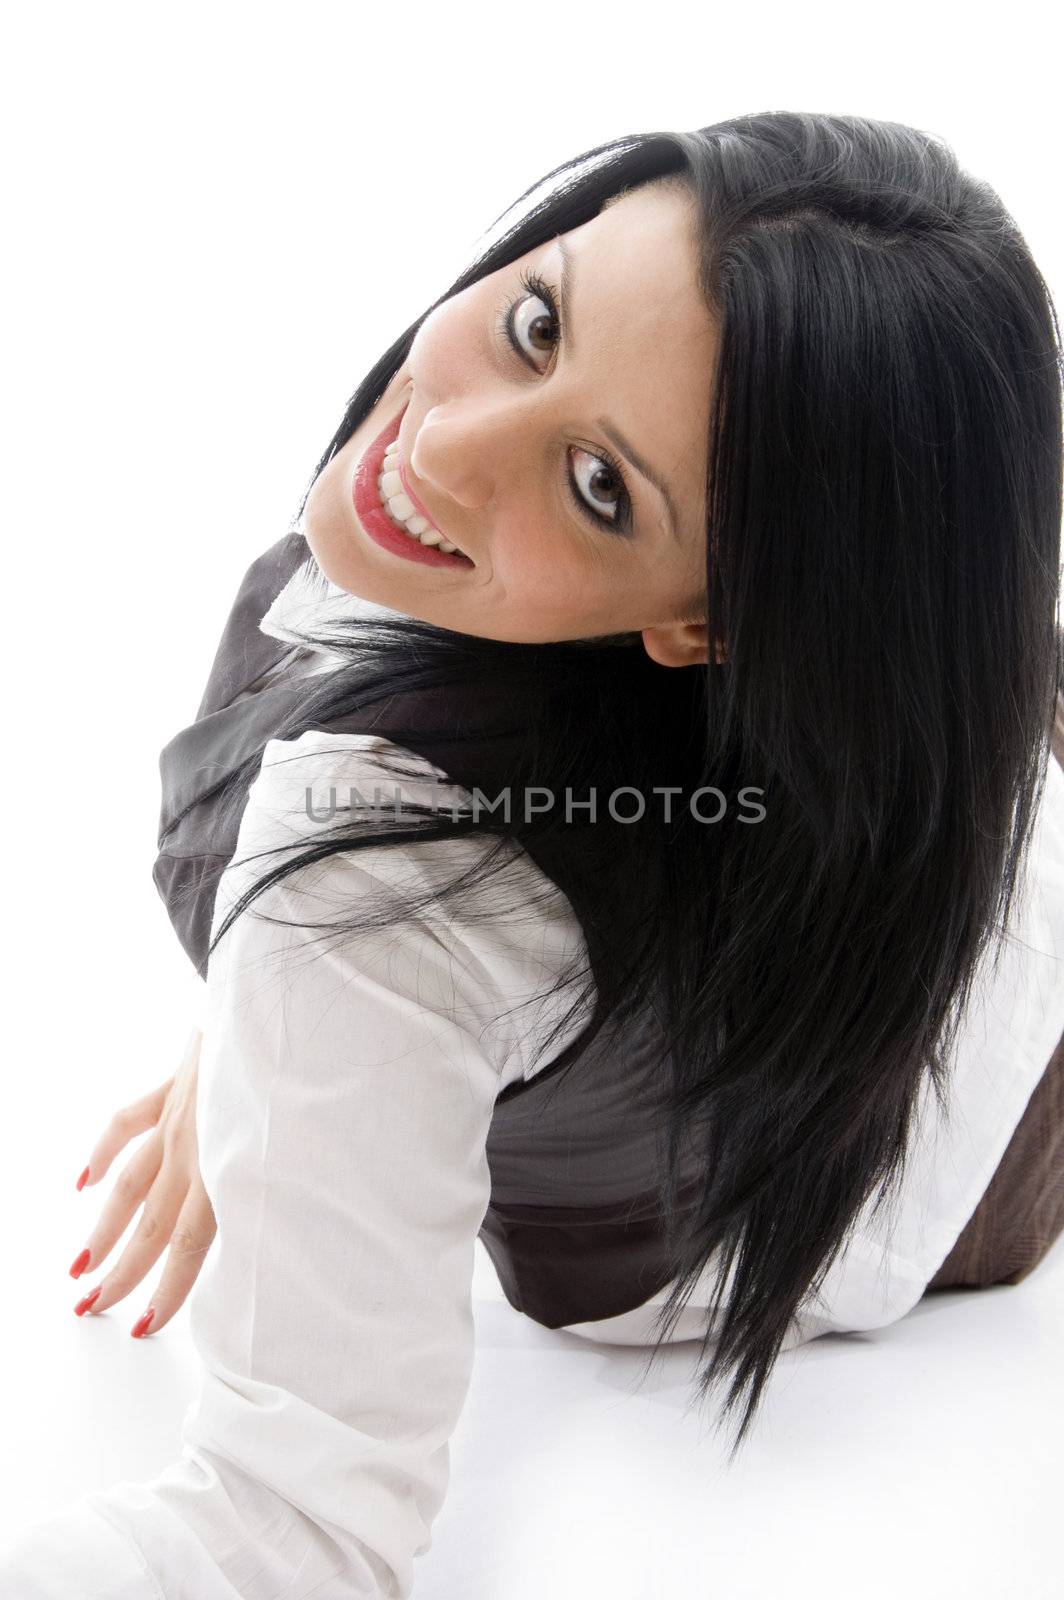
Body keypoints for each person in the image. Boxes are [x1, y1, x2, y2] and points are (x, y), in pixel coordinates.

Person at [3, 110, 1063, 1597]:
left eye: (599, 487)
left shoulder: (373, 925)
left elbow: (284, 1535)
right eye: (537, 318)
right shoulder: (437, 711)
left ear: (704, 633)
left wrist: (301, 1015)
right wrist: (267, 1042)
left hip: (989, 1123)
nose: (438, 443)